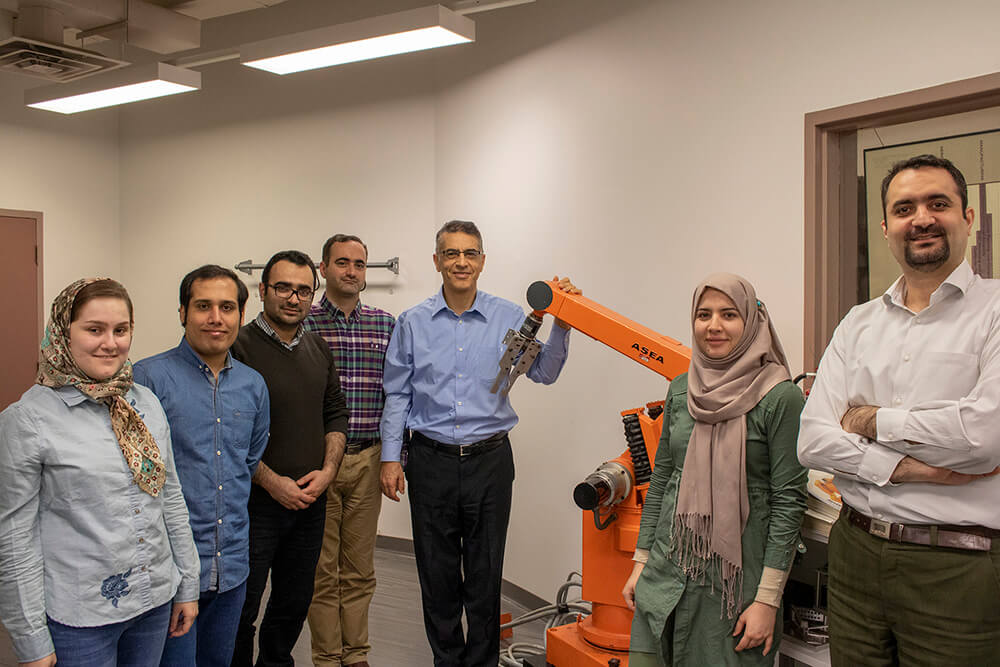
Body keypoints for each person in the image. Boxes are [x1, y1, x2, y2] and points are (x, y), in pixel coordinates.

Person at [798, 154, 1000, 665]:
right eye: (905, 208)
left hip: (957, 566)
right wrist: (911, 467)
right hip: (855, 551)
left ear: (968, 217)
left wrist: (870, 420)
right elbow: (814, 440)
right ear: (887, 227)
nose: (922, 218)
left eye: (939, 203)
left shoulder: (995, 312)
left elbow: (982, 439)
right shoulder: (859, 323)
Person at [380, 220, 580, 667]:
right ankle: (447, 661)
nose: (461, 262)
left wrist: (563, 325)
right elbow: (398, 394)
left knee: (486, 575)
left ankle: (483, 662)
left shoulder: (509, 316)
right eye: (451, 253)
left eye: (470, 253)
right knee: (437, 574)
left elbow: (544, 372)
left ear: (483, 262)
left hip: (490, 461)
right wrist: (390, 457)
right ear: (437, 261)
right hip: (429, 461)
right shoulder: (412, 323)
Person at [0, 278, 200, 667]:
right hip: (81, 617)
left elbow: (169, 495)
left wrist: (186, 583)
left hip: (154, 598)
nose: (111, 343)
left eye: (120, 330)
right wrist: (30, 639)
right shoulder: (27, 421)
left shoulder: (145, 402)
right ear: (63, 333)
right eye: (94, 330)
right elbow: (13, 539)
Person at [623, 273, 807, 667]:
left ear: (752, 321)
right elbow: (662, 481)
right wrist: (641, 563)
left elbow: (789, 504)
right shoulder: (680, 389)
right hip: (665, 573)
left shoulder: (780, 397)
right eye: (703, 314)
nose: (714, 325)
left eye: (728, 314)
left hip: (731, 592)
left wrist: (767, 601)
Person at [134, 265, 270, 667]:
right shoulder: (147, 379)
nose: (216, 318)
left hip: (231, 567)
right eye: (203, 306)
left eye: (227, 307)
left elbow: (248, 460)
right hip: (169, 571)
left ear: (241, 317)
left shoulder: (253, 385)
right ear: (182, 312)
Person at [230, 250, 350, 667]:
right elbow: (228, 434)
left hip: (309, 503)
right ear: (262, 290)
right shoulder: (237, 347)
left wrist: (328, 472)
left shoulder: (318, 348)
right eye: (283, 288)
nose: (294, 298)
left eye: (303, 290)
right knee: (242, 609)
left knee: (292, 602)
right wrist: (271, 481)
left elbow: (335, 411)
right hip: (253, 505)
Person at [305, 235, 395, 667]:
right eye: (342, 263)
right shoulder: (303, 323)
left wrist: (397, 457)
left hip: (368, 459)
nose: (352, 271)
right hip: (317, 464)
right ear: (323, 268)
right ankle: (326, 657)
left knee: (359, 570)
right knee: (322, 572)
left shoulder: (385, 324)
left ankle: (356, 654)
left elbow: (398, 397)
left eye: (360, 264)